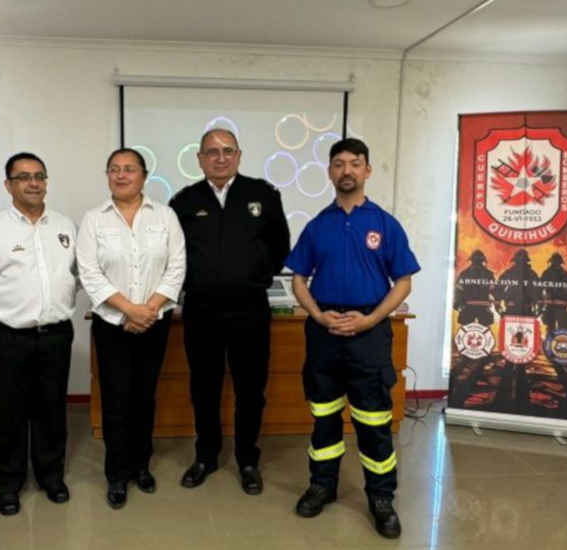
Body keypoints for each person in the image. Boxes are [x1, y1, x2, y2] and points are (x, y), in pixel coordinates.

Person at [285, 137, 419, 539]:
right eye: (339, 164)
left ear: (367, 171)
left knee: (374, 421)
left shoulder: (384, 223)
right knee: (323, 418)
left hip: (369, 336)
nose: (347, 170)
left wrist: (370, 320)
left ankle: (381, 498)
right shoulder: (317, 226)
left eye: (355, 163)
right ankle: (322, 485)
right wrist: (318, 315)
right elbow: (297, 279)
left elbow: (404, 282)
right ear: (330, 172)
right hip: (324, 334)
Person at [169, 128, 289, 495]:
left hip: (249, 310)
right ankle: (205, 456)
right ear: (200, 158)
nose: (220, 158)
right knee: (203, 387)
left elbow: (280, 246)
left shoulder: (263, 195)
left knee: (251, 389)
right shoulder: (184, 201)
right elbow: (174, 255)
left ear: (238, 155)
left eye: (227, 151)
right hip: (201, 312)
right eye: (211, 152)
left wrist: (252, 276)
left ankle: (247, 460)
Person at [0, 152, 77, 515]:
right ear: (8, 185)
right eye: (24, 176)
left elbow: (74, 278)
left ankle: (50, 476)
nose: (33, 183)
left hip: (57, 335)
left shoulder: (65, 226)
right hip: (9, 337)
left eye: (39, 176)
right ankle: (7, 483)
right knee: (8, 413)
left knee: (52, 409)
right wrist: (10, 312)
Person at [76, 148, 186, 509]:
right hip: (112, 324)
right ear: (107, 175)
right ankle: (116, 473)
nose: (121, 175)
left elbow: (176, 268)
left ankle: (141, 465)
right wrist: (129, 310)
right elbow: (89, 272)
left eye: (129, 169)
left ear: (144, 175)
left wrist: (149, 310)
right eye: (114, 170)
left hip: (154, 323)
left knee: (144, 396)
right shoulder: (94, 220)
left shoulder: (166, 216)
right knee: (116, 400)